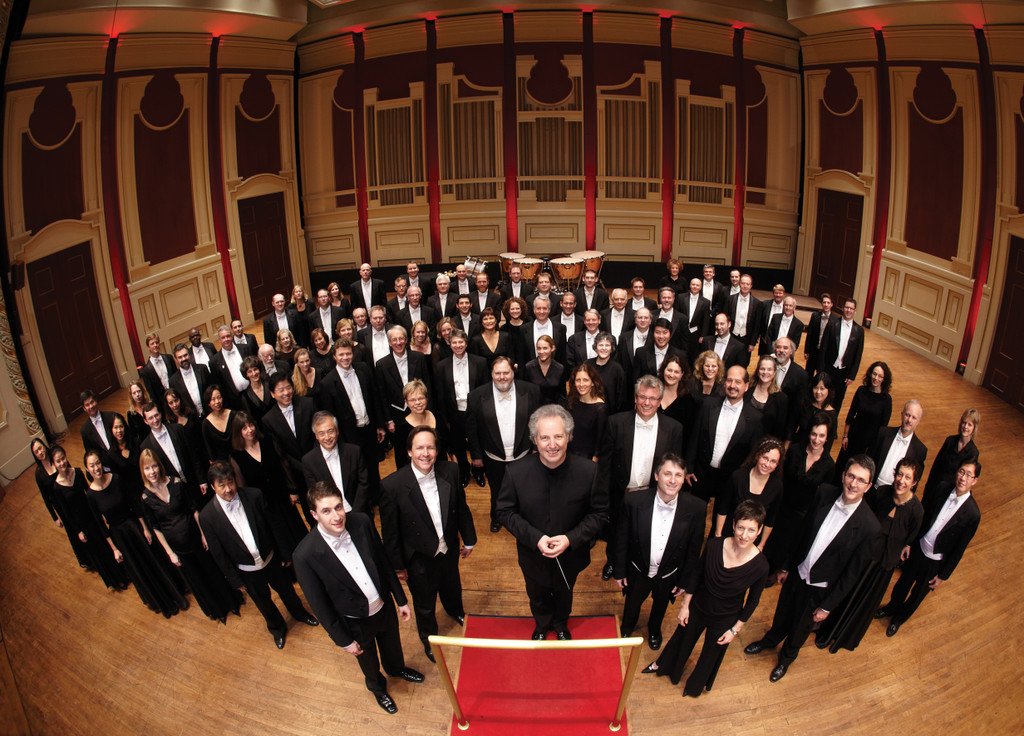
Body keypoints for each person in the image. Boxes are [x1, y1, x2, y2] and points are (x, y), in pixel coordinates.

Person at [743, 455, 880, 682]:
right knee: (783, 613)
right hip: (798, 572)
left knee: (800, 628)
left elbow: (851, 574)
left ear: (868, 486)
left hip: (820, 589)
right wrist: (786, 567)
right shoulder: (824, 492)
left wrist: (827, 606)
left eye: (861, 480)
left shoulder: (870, 527)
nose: (853, 484)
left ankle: (786, 658)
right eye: (851, 476)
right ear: (843, 476)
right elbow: (802, 531)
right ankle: (770, 640)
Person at [293, 482, 424, 714]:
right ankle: (378, 688)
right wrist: (343, 640)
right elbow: (319, 605)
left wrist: (401, 599)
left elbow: (383, 562)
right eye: (326, 511)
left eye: (338, 507)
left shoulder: (362, 521)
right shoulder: (304, 555)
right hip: (354, 621)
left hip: (383, 606)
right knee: (369, 661)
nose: (336, 516)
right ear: (314, 515)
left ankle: (396, 669)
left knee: (392, 645)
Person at [496, 405, 609, 640]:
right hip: (532, 554)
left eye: (558, 436)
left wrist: (570, 539)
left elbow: (599, 514)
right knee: (536, 594)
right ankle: (542, 624)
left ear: (569, 437)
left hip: (571, 554)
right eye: (544, 438)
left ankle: (560, 623)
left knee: (565, 592)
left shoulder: (589, 471)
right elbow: (505, 512)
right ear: (534, 440)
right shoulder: (516, 472)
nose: (552, 444)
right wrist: (535, 538)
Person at [643, 499, 770, 696]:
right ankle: (665, 666)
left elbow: (753, 601)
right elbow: (696, 575)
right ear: (733, 525)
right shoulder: (713, 545)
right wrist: (685, 606)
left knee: (711, 654)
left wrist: (735, 630)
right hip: (699, 606)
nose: (744, 535)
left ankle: (694, 686)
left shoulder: (761, 566)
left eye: (751, 530)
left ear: (759, 531)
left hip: (726, 617)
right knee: (682, 639)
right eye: (741, 528)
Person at [379, 427, 476, 662]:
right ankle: (429, 638)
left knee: (452, 585)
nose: (425, 453)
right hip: (418, 559)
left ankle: (455, 611)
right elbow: (390, 534)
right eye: (419, 448)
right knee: (424, 604)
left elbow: (461, 508)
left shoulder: (451, 471)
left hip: (448, 548)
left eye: (430, 447)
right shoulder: (392, 486)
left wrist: (469, 539)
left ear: (437, 450)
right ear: (409, 451)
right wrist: (398, 566)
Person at [200, 461, 318, 649]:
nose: (228, 489)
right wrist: (234, 579)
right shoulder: (207, 516)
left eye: (230, 482)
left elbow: (274, 525)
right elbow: (218, 552)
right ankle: (277, 629)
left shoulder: (254, 495)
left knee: (287, 591)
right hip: (247, 571)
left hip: (271, 559)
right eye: (221, 485)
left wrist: (284, 553)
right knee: (263, 603)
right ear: (213, 487)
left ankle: (300, 613)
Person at [816, 458, 924, 651]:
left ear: (914, 482)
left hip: (882, 566)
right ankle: (826, 629)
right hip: (862, 555)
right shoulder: (881, 493)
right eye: (900, 474)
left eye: (908, 477)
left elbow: (911, 536)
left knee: (862, 603)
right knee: (845, 592)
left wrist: (905, 546)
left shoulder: (917, 510)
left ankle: (843, 637)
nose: (901, 480)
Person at [878, 458, 981, 637]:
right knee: (903, 583)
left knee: (917, 595)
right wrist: (909, 542)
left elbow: (959, 549)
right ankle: (891, 608)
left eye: (969, 475)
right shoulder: (942, 488)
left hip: (935, 561)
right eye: (961, 472)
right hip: (918, 548)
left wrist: (943, 575)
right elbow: (922, 515)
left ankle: (898, 619)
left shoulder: (973, 513)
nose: (963, 478)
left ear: (975, 480)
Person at [612, 453, 705, 648]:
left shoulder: (697, 508)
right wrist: (619, 570)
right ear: (656, 476)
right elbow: (621, 538)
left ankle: (654, 629)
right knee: (633, 601)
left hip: (669, 573)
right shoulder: (633, 501)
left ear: (684, 478)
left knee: (661, 604)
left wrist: (684, 581)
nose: (672, 480)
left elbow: (693, 549)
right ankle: (627, 626)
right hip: (638, 568)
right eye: (667, 474)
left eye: (678, 475)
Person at [139, 449, 242, 623]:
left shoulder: (176, 483)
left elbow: (194, 510)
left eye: (154, 466)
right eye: (147, 468)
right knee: (198, 580)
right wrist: (170, 553)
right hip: (178, 548)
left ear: (160, 466)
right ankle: (217, 611)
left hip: (196, 539)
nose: (152, 472)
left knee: (212, 571)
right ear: (143, 471)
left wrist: (203, 533)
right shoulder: (145, 498)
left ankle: (232, 602)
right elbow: (156, 528)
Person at [84, 450, 188, 617]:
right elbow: (100, 525)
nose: (96, 468)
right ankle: (162, 603)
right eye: (92, 465)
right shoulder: (90, 495)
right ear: (87, 469)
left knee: (154, 561)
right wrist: (114, 549)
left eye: (98, 463)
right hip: (119, 535)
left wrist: (145, 528)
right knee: (140, 569)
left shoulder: (116, 479)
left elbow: (133, 504)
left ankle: (176, 595)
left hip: (134, 526)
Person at [604, 375, 685, 579]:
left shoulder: (674, 428)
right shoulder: (615, 422)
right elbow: (605, 465)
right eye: (642, 397)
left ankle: (637, 566)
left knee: (644, 535)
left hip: (652, 494)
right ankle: (613, 562)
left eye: (653, 398)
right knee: (616, 532)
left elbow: (674, 466)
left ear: (659, 401)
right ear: (635, 398)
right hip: (621, 493)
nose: (647, 402)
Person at [467, 356, 541, 533]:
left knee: (523, 489)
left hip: (523, 454)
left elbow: (538, 422)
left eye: (506, 372)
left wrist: (536, 448)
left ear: (513, 371)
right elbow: (472, 429)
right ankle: (497, 516)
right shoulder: (476, 396)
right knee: (497, 489)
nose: (502, 377)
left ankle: (521, 518)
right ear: (491, 374)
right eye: (497, 373)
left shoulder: (531, 391)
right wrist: (476, 456)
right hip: (493, 456)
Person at [763, 415, 836, 577]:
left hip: (802, 515)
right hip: (781, 506)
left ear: (827, 438)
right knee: (770, 540)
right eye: (814, 434)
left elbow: (823, 496)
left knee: (788, 545)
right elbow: (780, 477)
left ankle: (775, 569)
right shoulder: (795, 450)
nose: (816, 439)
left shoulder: (829, 465)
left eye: (821, 436)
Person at [229, 412, 308, 556]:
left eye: (251, 425)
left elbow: (284, 465)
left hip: (284, 497)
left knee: (298, 532)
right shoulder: (236, 456)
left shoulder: (268, 440)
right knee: (281, 540)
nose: (250, 430)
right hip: (264, 506)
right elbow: (243, 486)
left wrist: (292, 490)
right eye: (244, 428)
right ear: (238, 432)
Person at [49, 445, 128, 590]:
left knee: (108, 543)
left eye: (63, 458)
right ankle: (115, 580)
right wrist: (78, 531)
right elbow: (66, 512)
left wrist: (102, 511)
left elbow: (90, 492)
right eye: (58, 461)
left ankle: (124, 572)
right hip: (81, 523)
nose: (62, 463)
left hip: (92, 514)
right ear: (53, 464)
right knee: (99, 551)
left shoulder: (78, 472)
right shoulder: (56, 487)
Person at [317, 338, 386, 502]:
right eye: (341, 354)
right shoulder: (327, 383)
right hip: (349, 435)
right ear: (334, 356)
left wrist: (379, 425)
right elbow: (331, 415)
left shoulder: (364, 369)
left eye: (348, 354)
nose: (345, 357)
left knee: (373, 465)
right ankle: (365, 503)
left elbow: (374, 397)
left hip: (369, 428)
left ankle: (377, 498)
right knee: (357, 471)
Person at [685, 365, 763, 503]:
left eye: (738, 382)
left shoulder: (755, 417)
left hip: (730, 479)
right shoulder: (707, 405)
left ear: (746, 386)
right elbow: (694, 437)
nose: (732, 385)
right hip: (701, 474)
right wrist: (689, 467)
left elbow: (751, 453)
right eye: (729, 380)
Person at [433, 329, 488, 488]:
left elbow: (485, 390)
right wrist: (445, 418)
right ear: (449, 344)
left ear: (466, 343)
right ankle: (464, 471)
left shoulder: (480, 362)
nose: (458, 345)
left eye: (461, 342)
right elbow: (440, 394)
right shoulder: (441, 366)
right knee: (458, 445)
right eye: (454, 342)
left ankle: (478, 471)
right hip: (454, 412)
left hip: (475, 411)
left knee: (477, 443)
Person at [712, 437, 785, 548]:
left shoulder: (777, 486)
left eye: (773, 461)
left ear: (777, 464)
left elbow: (771, 519)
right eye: (765, 458)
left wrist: (761, 545)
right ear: (757, 456)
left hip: (752, 540)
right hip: (728, 532)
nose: (767, 464)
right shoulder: (737, 476)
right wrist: (718, 535)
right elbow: (723, 508)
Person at [376, 325, 433, 455]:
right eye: (394, 339)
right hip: (397, 416)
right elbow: (382, 395)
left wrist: (428, 412)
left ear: (406, 340)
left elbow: (428, 387)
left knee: (422, 448)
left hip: (420, 412)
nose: (398, 342)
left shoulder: (419, 358)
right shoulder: (381, 365)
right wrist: (388, 420)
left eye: (401, 338)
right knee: (401, 453)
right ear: (389, 342)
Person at [140, 402, 209, 508]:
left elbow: (193, 456)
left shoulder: (178, 429)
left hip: (194, 482)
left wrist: (202, 480)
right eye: (150, 418)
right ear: (145, 421)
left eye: (156, 415)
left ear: (160, 414)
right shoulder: (146, 446)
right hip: (174, 493)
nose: (155, 420)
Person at [301, 411, 371, 514]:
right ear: (316, 436)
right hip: (331, 516)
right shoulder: (308, 461)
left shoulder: (354, 451)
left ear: (337, 431)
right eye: (321, 433)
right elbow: (316, 495)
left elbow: (364, 483)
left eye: (330, 431)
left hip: (359, 510)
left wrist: (356, 513)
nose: (327, 437)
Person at [835, 361, 893, 476]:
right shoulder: (861, 390)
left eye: (880, 376)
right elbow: (851, 414)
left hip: (868, 444)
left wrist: (873, 448)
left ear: (884, 379)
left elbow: (883, 427)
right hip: (853, 437)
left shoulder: (886, 400)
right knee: (841, 468)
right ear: (870, 374)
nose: (876, 378)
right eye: (874, 374)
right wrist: (845, 436)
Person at [922, 408, 980, 499]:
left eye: (969, 425)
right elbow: (936, 465)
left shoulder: (973, 452)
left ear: (974, 428)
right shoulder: (950, 440)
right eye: (964, 423)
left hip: (950, 494)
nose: (965, 427)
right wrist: (928, 486)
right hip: (935, 487)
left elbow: (966, 478)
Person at [869, 400, 928, 489]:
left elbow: (914, 481)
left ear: (918, 421)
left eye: (914, 417)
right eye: (907, 415)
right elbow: (869, 459)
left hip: (895, 493)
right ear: (902, 414)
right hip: (872, 487)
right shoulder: (883, 433)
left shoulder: (920, 450)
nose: (909, 420)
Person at [819, 297, 864, 411]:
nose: (849, 310)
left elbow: (858, 355)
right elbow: (824, 348)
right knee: (823, 396)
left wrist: (852, 375)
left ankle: (833, 420)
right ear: (843, 308)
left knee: (838, 399)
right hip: (829, 368)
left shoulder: (859, 331)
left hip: (844, 373)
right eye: (847, 307)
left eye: (851, 308)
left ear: (855, 311)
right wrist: (821, 369)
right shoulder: (832, 324)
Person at [566, 363, 609, 464]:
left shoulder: (600, 408)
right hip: (568, 454)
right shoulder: (572, 401)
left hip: (587, 460)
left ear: (593, 382)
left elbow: (600, 441)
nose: (581, 384)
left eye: (585, 380)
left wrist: (594, 461)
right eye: (578, 380)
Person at [790, 372, 838, 453]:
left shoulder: (832, 415)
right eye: (815, 387)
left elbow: (828, 444)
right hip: (797, 448)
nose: (818, 392)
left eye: (822, 388)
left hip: (814, 453)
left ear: (829, 390)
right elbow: (793, 425)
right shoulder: (805, 404)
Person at [773, 336, 808, 439]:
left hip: (783, 425)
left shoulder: (801, 375)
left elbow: (797, 408)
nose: (781, 350)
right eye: (778, 347)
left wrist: (789, 436)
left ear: (792, 351)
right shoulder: (768, 366)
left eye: (785, 348)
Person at [210, 324, 252, 410]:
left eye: (228, 336)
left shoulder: (245, 348)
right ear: (219, 340)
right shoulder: (214, 361)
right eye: (223, 337)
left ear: (232, 336)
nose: (226, 339)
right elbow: (219, 385)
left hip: (253, 391)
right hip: (235, 400)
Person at [746, 355, 788, 439]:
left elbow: (779, 428)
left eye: (769, 369)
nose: (765, 372)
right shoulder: (747, 389)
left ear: (774, 372)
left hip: (764, 442)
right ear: (757, 371)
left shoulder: (781, 398)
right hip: (743, 438)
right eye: (762, 369)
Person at [521, 334, 567, 406]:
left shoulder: (560, 369)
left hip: (554, 409)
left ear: (552, 348)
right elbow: (525, 393)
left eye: (545, 348)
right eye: (539, 348)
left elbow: (562, 395)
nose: (541, 352)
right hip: (534, 409)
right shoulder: (529, 367)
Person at [169, 343, 212, 418]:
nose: (183, 359)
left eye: (185, 355)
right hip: (191, 419)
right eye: (180, 357)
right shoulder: (173, 381)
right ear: (176, 360)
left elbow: (211, 389)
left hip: (210, 413)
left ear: (189, 355)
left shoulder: (202, 369)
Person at [588, 332, 627, 413]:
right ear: (595, 347)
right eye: (601, 345)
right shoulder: (587, 365)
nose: (604, 348)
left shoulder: (617, 369)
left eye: (607, 345)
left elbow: (621, 398)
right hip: (588, 412)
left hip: (610, 415)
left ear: (611, 348)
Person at [140, 332, 178, 413]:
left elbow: (177, 377)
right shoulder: (145, 371)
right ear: (148, 347)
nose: (155, 345)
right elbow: (152, 393)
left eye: (156, 342)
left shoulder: (169, 358)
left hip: (176, 397)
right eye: (152, 343)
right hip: (162, 403)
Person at [79, 389, 124, 456]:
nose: (91, 406)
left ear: (96, 401)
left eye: (92, 402)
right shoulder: (85, 430)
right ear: (84, 408)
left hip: (121, 454)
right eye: (87, 405)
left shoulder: (111, 416)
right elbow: (90, 452)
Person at [677, 278, 712, 362]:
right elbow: (677, 314)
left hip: (696, 333)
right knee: (681, 354)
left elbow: (706, 320)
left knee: (694, 355)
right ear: (690, 285)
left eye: (697, 285)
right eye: (693, 284)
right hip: (682, 332)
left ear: (700, 287)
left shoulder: (706, 302)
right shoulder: (681, 297)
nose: (695, 287)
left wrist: (703, 335)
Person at [804, 293, 838, 376]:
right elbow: (810, 334)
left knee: (821, 375)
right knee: (808, 373)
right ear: (822, 304)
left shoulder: (836, 319)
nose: (826, 305)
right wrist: (806, 350)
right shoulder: (815, 316)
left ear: (831, 304)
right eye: (824, 302)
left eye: (828, 303)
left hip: (826, 354)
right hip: (814, 351)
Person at [726, 274, 762, 356]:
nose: (745, 286)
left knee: (743, 362)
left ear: (751, 286)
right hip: (731, 336)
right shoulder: (730, 299)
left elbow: (757, 326)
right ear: (739, 284)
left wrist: (752, 343)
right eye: (743, 283)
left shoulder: (757, 303)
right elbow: (726, 319)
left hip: (746, 340)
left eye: (747, 284)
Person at [201, 385, 235, 463]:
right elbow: (210, 448)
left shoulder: (233, 414)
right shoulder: (206, 424)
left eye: (219, 397)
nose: (217, 402)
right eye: (213, 399)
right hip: (222, 463)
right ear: (208, 403)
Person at [618, 307, 652, 383]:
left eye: (646, 318)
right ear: (635, 320)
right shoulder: (624, 337)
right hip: (627, 382)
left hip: (648, 383)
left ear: (650, 321)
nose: (643, 320)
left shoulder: (655, 338)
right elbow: (619, 360)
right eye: (640, 317)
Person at [657, 354, 689, 430]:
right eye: (669, 370)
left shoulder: (687, 400)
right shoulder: (653, 392)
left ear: (682, 374)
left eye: (676, 372)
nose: (671, 375)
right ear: (663, 370)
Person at [240, 356, 273, 422]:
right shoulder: (245, 396)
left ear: (259, 370)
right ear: (246, 375)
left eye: (255, 369)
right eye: (250, 371)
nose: (254, 373)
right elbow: (251, 418)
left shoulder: (270, 384)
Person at [500, 297, 529, 367]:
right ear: (508, 311)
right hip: (509, 365)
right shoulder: (503, 329)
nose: (515, 311)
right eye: (512, 309)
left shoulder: (528, 326)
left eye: (517, 308)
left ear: (522, 310)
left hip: (527, 364)